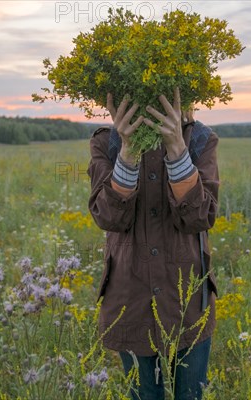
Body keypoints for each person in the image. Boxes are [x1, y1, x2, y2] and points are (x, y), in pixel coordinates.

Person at [87, 87, 220, 400]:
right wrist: (128, 152)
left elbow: (201, 217)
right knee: (144, 394)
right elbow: (109, 218)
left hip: (187, 304)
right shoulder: (106, 143)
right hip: (130, 301)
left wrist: (176, 147)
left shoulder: (198, 139)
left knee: (189, 396)